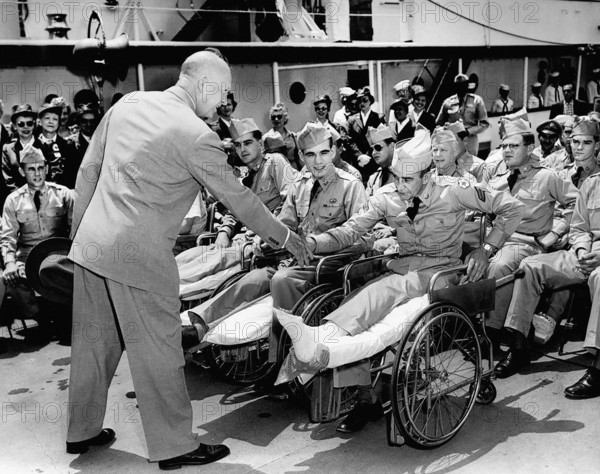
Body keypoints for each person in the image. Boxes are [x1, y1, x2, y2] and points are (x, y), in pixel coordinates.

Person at [66, 49, 311, 470]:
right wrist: (287, 236)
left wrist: (78, 235)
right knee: (159, 351)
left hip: (92, 245)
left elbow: (88, 170)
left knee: (93, 343)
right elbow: (240, 200)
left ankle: (80, 431)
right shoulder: (198, 136)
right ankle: (174, 446)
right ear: (204, 86)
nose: (224, 104)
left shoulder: (130, 103)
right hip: (139, 258)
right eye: (223, 94)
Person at [276, 129, 524, 433]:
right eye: (396, 178)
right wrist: (313, 244)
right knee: (359, 296)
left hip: (443, 272)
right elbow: (351, 230)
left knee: (384, 289)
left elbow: (512, 208)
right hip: (404, 268)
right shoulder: (387, 196)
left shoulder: (455, 190)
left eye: (408, 180)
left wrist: (485, 252)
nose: (401, 187)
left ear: (427, 174)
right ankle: (365, 397)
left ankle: (326, 334)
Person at [181, 123, 367, 347]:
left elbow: (364, 238)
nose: (318, 161)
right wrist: (266, 239)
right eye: (310, 155)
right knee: (254, 278)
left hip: (332, 266)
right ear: (301, 156)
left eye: (324, 153)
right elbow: (284, 224)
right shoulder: (301, 186)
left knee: (281, 279)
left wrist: (317, 243)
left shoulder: (351, 186)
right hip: (296, 261)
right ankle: (200, 324)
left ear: (334, 152)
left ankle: (288, 351)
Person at [484, 119, 579, 358]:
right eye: (504, 145)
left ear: (529, 148)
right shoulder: (498, 180)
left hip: (528, 243)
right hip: (498, 239)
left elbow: (577, 203)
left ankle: (492, 336)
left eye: (513, 146)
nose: (506, 150)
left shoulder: (547, 177)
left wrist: (555, 232)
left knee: (499, 265)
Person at [499, 170, 600, 392]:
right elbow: (579, 227)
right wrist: (583, 250)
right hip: (584, 253)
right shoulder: (592, 184)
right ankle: (519, 347)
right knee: (530, 266)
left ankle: (598, 368)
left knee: (599, 277)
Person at [0, 147, 72, 320]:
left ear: (46, 168)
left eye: (40, 168)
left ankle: (65, 315)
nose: (37, 173)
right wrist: (9, 263)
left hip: (58, 256)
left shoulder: (63, 194)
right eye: (31, 169)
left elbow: (75, 229)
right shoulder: (13, 200)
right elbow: (8, 237)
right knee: (11, 278)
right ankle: (39, 316)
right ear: (21, 170)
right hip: (26, 258)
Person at [436, 74, 489, 155]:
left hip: (470, 142)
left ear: (467, 85)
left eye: (464, 85)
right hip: (453, 143)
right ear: (454, 86)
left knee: (470, 166)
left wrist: (468, 131)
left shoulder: (477, 100)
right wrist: (446, 130)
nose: (461, 88)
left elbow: (484, 124)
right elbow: (438, 124)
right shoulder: (447, 102)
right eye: (458, 85)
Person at [346, 87, 386, 183]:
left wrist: (368, 156)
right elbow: (349, 140)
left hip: (373, 160)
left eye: (365, 100)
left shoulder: (378, 118)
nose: (362, 103)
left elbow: (381, 139)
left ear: (370, 101)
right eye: (359, 100)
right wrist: (360, 156)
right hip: (357, 162)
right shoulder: (352, 119)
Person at [36, 97, 76, 185]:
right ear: (39, 122)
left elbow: (72, 175)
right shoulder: (33, 145)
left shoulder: (68, 145)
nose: (51, 122)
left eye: (55, 119)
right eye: (47, 118)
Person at [2, 104, 41, 193]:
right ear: (15, 126)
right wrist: (22, 198)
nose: (25, 127)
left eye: (29, 123)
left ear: (34, 125)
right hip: (17, 199)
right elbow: (8, 179)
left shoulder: (44, 146)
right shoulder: (8, 149)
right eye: (21, 124)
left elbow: (50, 176)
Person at [263, 102, 303, 170]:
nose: (276, 119)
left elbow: (298, 158)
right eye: (273, 117)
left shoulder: (293, 136)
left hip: (293, 172)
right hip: (276, 172)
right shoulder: (266, 138)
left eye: (279, 116)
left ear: (284, 118)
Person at [365, 124, 395, 197]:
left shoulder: (405, 175)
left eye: (378, 147)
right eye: (372, 149)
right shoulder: (373, 179)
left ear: (391, 146)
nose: (374, 153)